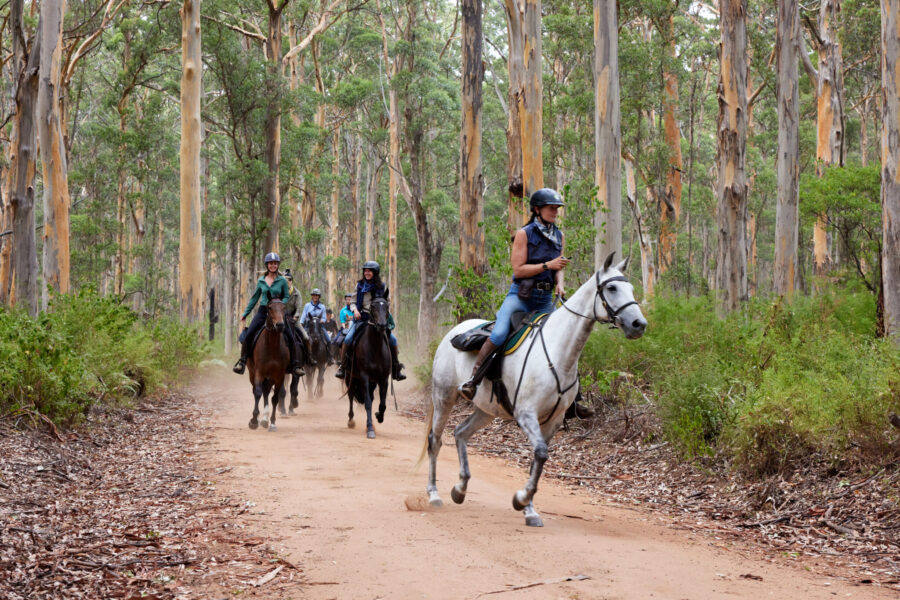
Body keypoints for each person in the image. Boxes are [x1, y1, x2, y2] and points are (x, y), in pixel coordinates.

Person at [456, 188, 594, 419]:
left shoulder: (559, 236)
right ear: (537, 210)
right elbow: (518, 269)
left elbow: (558, 267)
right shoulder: (524, 234)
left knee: (563, 341)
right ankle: (473, 379)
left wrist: (560, 282)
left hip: (545, 300)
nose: (555, 212)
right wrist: (547, 266)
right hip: (520, 298)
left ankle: (573, 399)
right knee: (499, 334)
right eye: (551, 208)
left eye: (557, 208)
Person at [232, 252, 304, 377]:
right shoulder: (261, 281)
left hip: (278, 312)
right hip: (263, 311)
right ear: (267, 265)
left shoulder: (282, 280)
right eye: (271, 263)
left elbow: (286, 296)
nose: (273, 265)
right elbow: (254, 299)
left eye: (275, 263)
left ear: (278, 265)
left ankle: (295, 365)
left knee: (291, 337)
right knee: (249, 335)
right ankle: (242, 362)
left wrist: (280, 305)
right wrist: (245, 314)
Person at [334, 261, 406, 381]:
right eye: (365, 271)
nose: (366, 273)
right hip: (361, 318)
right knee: (347, 338)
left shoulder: (381, 286)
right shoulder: (359, 285)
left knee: (393, 340)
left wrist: (382, 309)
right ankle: (343, 366)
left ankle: (396, 368)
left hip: (377, 319)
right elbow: (352, 301)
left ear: (375, 272)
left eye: (369, 271)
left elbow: (387, 301)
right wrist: (355, 310)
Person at [283, 270, 316, 367]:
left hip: (294, 320)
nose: (286, 283)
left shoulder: (297, 293)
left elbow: (299, 308)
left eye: (288, 280)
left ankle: (309, 357)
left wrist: (296, 316)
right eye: (284, 281)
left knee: (305, 337)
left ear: (291, 281)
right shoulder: (280, 292)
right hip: (282, 319)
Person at [301, 288, 333, 364]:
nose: (315, 296)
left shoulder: (322, 306)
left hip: (319, 326)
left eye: (317, 295)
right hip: (309, 326)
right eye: (314, 295)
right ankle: (301, 359)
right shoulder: (307, 305)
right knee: (301, 340)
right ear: (312, 296)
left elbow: (324, 317)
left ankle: (330, 357)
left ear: (319, 296)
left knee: (328, 340)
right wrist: (301, 323)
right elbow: (303, 316)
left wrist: (322, 320)